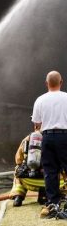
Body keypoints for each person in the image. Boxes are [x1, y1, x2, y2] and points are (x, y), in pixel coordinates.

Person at [31, 71, 67, 218]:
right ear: (61, 82)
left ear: (46, 84)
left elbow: (37, 125)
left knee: (50, 171)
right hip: (65, 137)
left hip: (47, 138)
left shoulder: (40, 100)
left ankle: (53, 203)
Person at [10, 134, 46, 207]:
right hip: (47, 181)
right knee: (60, 172)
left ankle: (18, 196)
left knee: (18, 169)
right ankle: (44, 196)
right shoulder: (55, 138)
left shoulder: (27, 139)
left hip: (28, 181)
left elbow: (18, 160)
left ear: (35, 126)